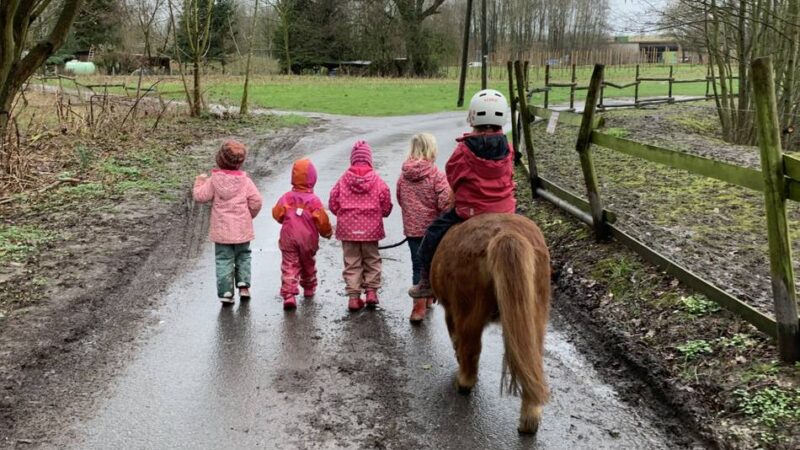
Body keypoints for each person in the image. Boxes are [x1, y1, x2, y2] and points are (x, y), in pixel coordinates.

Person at [409, 89, 515, 298]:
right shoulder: (508, 148)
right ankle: (546, 268)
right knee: (528, 234)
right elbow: (509, 175)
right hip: (505, 211)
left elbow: (453, 176)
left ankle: (426, 282)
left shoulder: (464, 149)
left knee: (431, 236)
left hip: (470, 212)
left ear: (472, 116)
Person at [193, 140, 263, 305]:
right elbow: (256, 201)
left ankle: (226, 292)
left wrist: (199, 182)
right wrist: (249, 215)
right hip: (242, 229)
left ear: (220, 159)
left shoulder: (214, 180)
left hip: (222, 231)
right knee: (243, 256)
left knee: (223, 259)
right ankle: (244, 285)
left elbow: (200, 196)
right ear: (241, 162)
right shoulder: (245, 181)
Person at [329, 140, 393, 312]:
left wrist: (342, 215)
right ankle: (371, 292)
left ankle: (354, 297)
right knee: (372, 260)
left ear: (353, 160)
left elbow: (333, 202)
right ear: (369, 160)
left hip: (348, 230)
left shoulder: (343, 180)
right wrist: (383, 213)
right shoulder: (377, 180)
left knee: (352, 262)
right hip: (371, 229)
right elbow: (385, 202)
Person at [396, 133, 451, 322]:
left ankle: (419, 306)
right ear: (432, 150)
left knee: (417, 264)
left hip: (412, 230)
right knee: (432, 264)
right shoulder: (436, 175)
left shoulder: (404, 176)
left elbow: (400, 198)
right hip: (433, 231)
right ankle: (424, 303)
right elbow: (445, 202)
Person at [272, 159, 333, 310]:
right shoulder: (314, 201)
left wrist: (283, 219)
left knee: (289, 265)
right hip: (308, 240)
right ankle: (309, 287)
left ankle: (289, 295)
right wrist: (327, 232)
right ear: (313, 179)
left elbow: (276, 213)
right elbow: (322, 221)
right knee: (308, 264)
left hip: (289, 238)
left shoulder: (287, 197)